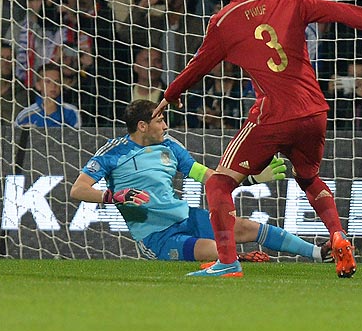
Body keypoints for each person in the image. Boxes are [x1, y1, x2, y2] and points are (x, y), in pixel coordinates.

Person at [153, 0, 362, 278]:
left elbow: (198, 65)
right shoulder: (292, 0)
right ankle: (337, 235)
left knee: (218, 183)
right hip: (315, 111)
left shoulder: (223, 21)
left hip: (274, 114)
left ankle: (228, 262)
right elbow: (337, 10)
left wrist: (170, 95)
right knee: (307, 178)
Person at [70, 99, 330, 269]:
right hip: (156, 237)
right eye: (159, 120)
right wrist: (114, 196)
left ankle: (320, 253)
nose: (165, 125)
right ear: (142, 126)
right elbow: (78, 189)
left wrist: (249, 178)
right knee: (219, 250)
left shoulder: (171, 147)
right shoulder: (113, 152)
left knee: (247, 227)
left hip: (187, 218)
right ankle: (234, 262)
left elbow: (210, 178)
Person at [14, 65, 82, 128]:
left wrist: (53, 115)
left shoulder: (72, 112)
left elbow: (74, 139)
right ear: (38, 85)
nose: (53, 86)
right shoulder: (25, 115)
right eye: (48, 81)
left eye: (57, 81)